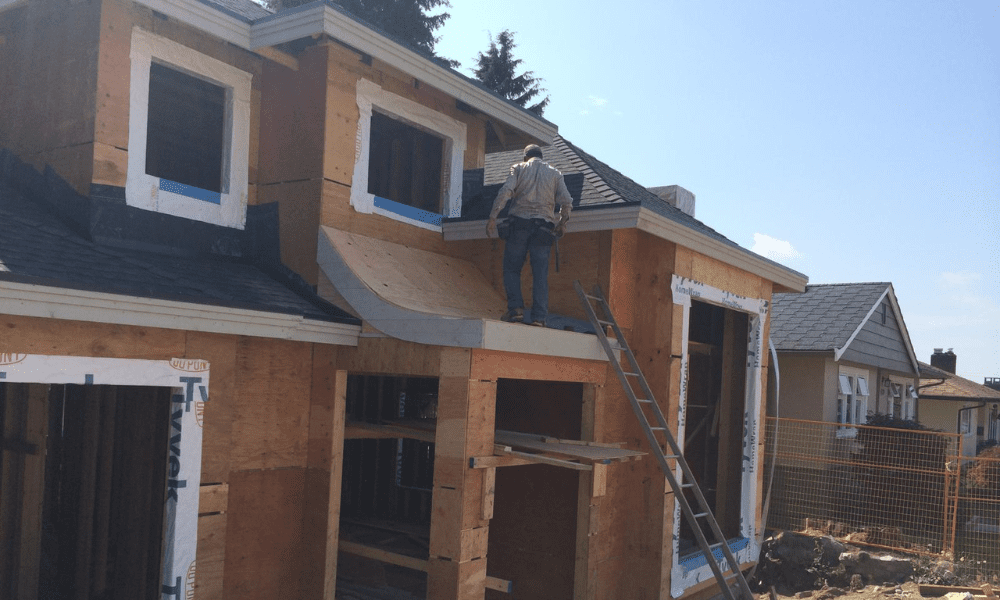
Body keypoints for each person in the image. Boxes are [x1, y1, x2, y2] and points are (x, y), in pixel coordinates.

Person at [486, 144, 573, 326]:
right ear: (541, 156)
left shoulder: (519, 168)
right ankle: (539, 318)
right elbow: (567, 201)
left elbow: (505, 192)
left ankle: (516, 310)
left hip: (519, 225)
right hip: (543, 229)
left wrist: (493, 217)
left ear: (526, 157)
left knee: (512, 269)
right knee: (540, 274)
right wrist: (562, 223)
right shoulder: (555, 174)